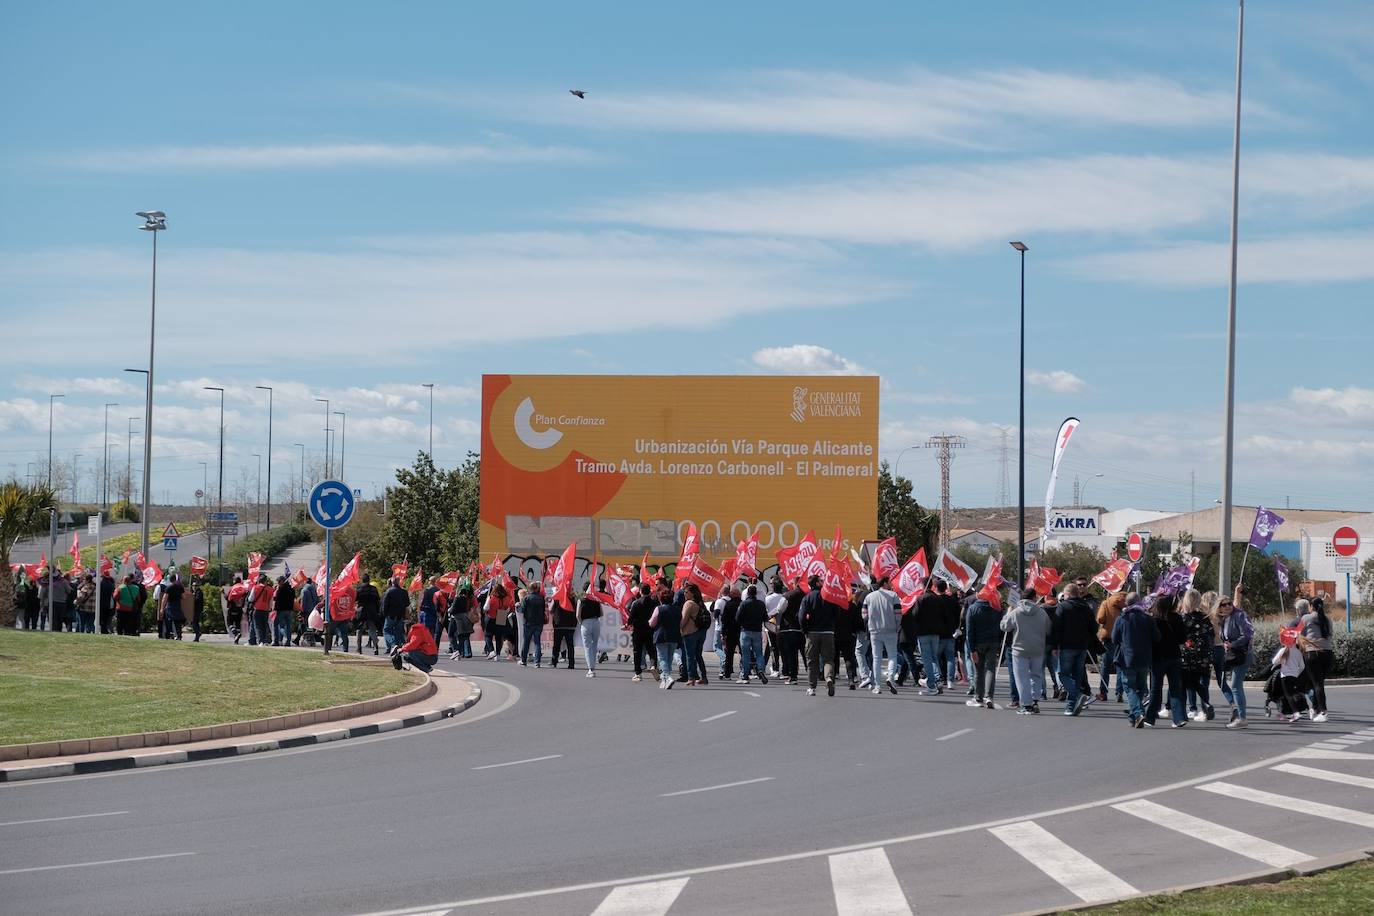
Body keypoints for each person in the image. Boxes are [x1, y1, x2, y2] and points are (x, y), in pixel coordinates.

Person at [1111, 593, 1159, 728]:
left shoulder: (1122, 618)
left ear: (1127, 603)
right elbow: (1156, 637)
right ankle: (1135, 716)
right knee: (1141, 687)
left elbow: (1114, 638)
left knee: (1130, 687)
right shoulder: (1148, 618)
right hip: (1144, 658)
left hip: (1128, 659)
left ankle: (1137, 713)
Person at [1001, 587, 1052, 715]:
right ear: (1034, 598)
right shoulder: (1042, 612)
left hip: (1020, 649)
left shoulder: (1016, 612)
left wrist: (1008, 612)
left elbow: (1004, 627)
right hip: (1037, 649)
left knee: (1021, 677)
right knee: (1036, 675)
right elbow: (1048, 629)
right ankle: (1035, 700)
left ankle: (1026, 704)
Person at [1052, 582, 1096, 716]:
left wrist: (1054, 646)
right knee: (1077, 676)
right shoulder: (1086, 607)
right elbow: (1094, 627)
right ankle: (1071, 706)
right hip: (1082, 646)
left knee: (1063, 674)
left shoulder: (1063, 607)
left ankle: (1077, 695)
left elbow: (1056, 628)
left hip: (1067, 646)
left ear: (1068, 594)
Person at [1144, 593, 1187, 728]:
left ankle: (1150, 717)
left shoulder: (1154, 620)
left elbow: (1150, 639)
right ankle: (1178, 718)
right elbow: (1182, 638)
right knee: (1175, 688)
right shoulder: (1177, 618)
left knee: (1156, 688)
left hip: (1158, 657)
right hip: (1174, 655)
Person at [1217, 586, 1254, 729]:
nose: (1227, 606)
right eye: (1223, 604)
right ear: (1219, 608)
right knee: (1236, 686)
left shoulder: (1239, 615)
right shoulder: (1225, 619)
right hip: (1235, 655)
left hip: (1243, 654)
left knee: (1236, 687)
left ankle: (1242, 718)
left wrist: (1233, 644)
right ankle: (1241, 717)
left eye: (1229, 604)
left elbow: (1248, 634)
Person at [1293, 597, 1333, 722]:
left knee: (1317, 684)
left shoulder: (1306, 618)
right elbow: (1330, 635)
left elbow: (1298, 634)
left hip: (1312, 653)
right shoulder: (1328, 620)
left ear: (1311, 606)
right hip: (1328, 654)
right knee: (1318, 683)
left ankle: (1323, 712)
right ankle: (1315, 709)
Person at [1178, 588, 1216, 721]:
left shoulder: (1183, 618)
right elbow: (1211, 635)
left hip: (1187, 656)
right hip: (1204, 656)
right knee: (1198, 683)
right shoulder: (1205, 618)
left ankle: (1184, 713)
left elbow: (1178, 637)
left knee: (1185, 684)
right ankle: (1205, 704)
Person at [800, 574, 839, 697]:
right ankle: (828, 678)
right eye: (821, 581)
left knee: (812, 661)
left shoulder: (807, 598)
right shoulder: (829, 596)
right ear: (817, 583)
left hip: (812, 633)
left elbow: (801, 616)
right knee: (828, 659)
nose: (823, 582)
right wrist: (832, 626)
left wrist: (805, 630)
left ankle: (812, 687)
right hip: (828, 633)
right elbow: (837, 613)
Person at [964, 588, 1003, 709]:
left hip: (978, 643)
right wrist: (999, 642)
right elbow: (1001, 626)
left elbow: (969, 631)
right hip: (993, 641)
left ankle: (978, 696)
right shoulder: (996, 608)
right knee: (990, 669)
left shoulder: (973, 608)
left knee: (978, 671)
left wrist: (972, 649)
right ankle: (989, 696)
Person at [863, 577, 901, 695]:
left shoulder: (869, 597)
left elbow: (864, 615)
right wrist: (897, 626)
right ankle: (890, 676)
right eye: (889, 582)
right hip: (891, 629)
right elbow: (898, 614)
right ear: (885, 583)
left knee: (876, 658)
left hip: (874, 630)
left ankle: (877, 686)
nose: (891, 584)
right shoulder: (894, 596)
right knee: (892, 656)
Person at [1095, 591, 1128, 703]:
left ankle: (1103, 692)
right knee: (1120, 666)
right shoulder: (1127, 603)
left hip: (1108, 638)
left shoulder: (1106, 603)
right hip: (1122, 639)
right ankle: (1119, 692)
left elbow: (1100, 618)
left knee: (1105, 666)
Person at [913, 584, 945, 694]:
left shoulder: (920, 599)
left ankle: (931, 685)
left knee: (927, 659)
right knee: (933, 657)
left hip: (923, 632)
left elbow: (915, 614)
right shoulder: (938, 599)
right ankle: (937, 678)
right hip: (936, 632)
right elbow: (942, 615)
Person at [736, 584, 769, 685]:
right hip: (757, 631)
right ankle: (760, 670)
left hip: (745, 631)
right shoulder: (761, 604)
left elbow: (737, 618)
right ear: (756, 593)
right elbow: (765, 618)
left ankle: (745, 675)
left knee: (745, 655)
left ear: (748, 593)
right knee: (759, 653)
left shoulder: (744, 604)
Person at [649, 587, 681, 690]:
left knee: (662, 658)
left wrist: (649, 623)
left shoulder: (659, 609)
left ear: (661, 598)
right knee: (669, 658)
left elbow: (652, 623)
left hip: (661, 636)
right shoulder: (677, 609)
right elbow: (680, 622)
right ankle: (664, 679)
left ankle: (667, 677)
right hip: (674, 636)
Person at [627, 584, 657, 681]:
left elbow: (631, 617)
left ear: (640, 591)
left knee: (637, 651)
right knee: (651, 650)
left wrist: (628, 624)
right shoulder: (654, 603)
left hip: (638, 630)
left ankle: (638, 673)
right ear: (649, 591)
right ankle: (653, 665)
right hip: (650, 629)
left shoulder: (636, 603)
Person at [778, 577, 805, 685]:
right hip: (803, 629)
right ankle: (813, 675)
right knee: (806, 654)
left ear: (795, 583)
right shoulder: (806, 595)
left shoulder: (788, 595)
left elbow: (780, 609)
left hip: (789, 628)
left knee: (792, 654)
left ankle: (793, 677)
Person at [679, 583, 704, 685]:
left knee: (689, 656)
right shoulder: (700, 602)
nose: (684, 594)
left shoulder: (688, 603)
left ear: (692, 593)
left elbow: (683, 620)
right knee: (698, 655)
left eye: (686, 592)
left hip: (689, 632)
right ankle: (704, 677)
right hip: (700, 633)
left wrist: (679, 628)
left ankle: (691, 678)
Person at [519, 581, 547, 667]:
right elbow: (543, 610)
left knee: (526, 642)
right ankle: (537, 662)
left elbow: (522, 610)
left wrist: (518, 606)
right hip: (539, 622)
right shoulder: (541, 598)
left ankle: (524, 661)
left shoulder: (526, 598)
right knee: (537, 642)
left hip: (528, 622)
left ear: (530, 589)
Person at [577, 587, 604, 677]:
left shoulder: (581, 600)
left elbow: (578, 615)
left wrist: (581, 623)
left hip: (585, 623)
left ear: (584, 591)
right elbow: (601, 613)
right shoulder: (596, 600)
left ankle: (590, 669)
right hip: (596, 622)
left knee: (587, 646)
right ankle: (593, 666)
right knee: (594, 645)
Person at [550, 592, 578, 670]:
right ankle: (571, 663)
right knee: (570, 645)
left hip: (559, 624)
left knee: (556, 644)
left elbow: (550, 610)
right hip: (570, 624)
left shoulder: (556, 598)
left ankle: (554, 661)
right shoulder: (573, 599)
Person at [356, 574, 383, 655]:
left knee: (359, 630)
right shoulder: (374, 589)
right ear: (369, 580)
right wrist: (377, 611)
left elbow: (356, 599)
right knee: (372, 630)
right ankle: (375, 647)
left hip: (362, 611)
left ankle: (359, 648)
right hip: (372, 611)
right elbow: (378, 601)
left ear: (362, 580)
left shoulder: (359, 589)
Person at [381, 576, 409, 653]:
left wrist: (384, 614)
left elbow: (385, 604)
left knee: (386, 630)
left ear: (392, 582)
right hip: (400, 615)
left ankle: (393, 644)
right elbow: (407, 604)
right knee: (398, 631)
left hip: (390, 615)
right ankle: (398, 647)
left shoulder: (389, 591)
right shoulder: (404, 592)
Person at [447, 586, 474, 658]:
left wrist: (449, 610)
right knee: (461, 635)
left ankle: (455, 650)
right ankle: (460, 651)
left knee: (451, 634)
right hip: (463, 618)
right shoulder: (465, 599)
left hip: (455, 618)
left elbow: (453, 609)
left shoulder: (457, 598)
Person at [248, 573, 274, 646]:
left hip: (257, 609)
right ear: (266, 581)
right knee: (264, 626)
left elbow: (250, 599)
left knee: (257, 626)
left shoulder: (255, 587)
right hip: (266, 610)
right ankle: (265, 641)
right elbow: (271, 601)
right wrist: (269, 608)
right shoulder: (270, 590)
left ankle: (260, 641)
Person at [160, 573, 187, 640]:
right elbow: (184, 597)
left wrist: (162, 608)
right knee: (177, 622)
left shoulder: (169, 587)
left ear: (170, 580)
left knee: (169, 621)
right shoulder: (180, 587)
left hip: (170, 605)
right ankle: (179, 636)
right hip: (177, 605)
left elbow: (164, 598)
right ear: (176, 579)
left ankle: (169, 635)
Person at [272, 575, 296, 646]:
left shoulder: (281, 589)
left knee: (277, 624)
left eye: (278, 582)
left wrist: (277, 590)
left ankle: (277, 641)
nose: (278, 583)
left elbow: (277, 599)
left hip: (281, 609)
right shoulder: (292, 589)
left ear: (281, 582)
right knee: (288, 625)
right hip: (289, 609)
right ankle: (288, 641)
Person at [297, 576, 320, 646]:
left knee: (305, 625)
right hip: (313, 610)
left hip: (306, 610)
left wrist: (301, 610)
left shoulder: (304, 590)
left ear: (305, 582)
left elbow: (303, 602)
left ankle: (307, 640)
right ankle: (311, 640)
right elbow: (317, 600)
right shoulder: (314, 590)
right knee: (311, 626)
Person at [226, 574, 247, 643]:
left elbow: (228, 598)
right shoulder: (244, 588)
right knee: (238, 623)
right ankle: (236, 638)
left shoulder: (233, 588)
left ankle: (235, 633)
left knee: (229, 622)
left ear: (235, 581)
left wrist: (223, 593)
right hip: (239, 609)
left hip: (232, 607)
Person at [99, 566, 117, 634]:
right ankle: (105, 629)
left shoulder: (101, 584)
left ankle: (103, 630)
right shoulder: (111, 585)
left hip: (102, 604)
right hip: (110, 604)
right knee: (107, 619)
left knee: (102, 618)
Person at [190, 576, 205, 641]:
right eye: (193, 586)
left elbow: (197, 600)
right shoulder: (194, 592)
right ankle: (198, 633)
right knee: (194, 623)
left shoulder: (199, 592)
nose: (194, 587)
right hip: (194, 610)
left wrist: (192, 597)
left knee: (194, 622)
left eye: (195, 585)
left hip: (197, 610)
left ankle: (197, 633)